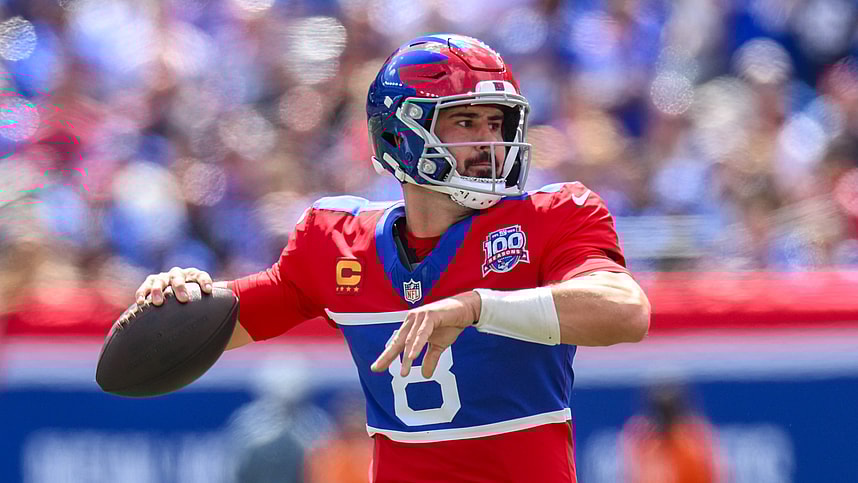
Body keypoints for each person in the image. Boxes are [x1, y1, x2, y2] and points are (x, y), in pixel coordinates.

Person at [133, 34, 651, 482]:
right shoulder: (334, 242)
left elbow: (625, 311)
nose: (489, 141)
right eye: (465, 122)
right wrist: (181, 294)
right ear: (398, 135)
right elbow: (226, 320)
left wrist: (476, 307)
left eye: (497, 122)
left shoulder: (551, 217)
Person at [621, 383, 721, 483]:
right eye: (660, 413)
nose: (664, 420)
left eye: (668, 413)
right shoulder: (643, 445)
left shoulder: (694, 444)